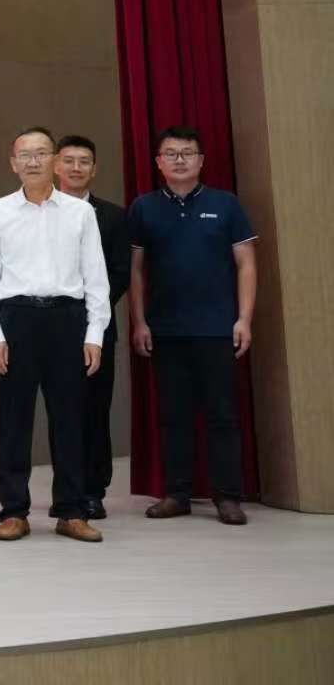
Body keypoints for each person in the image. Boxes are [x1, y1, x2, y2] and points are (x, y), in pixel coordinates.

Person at [0, 126, 108, 543]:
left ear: (55, 160)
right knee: (14, 421)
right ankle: (14, 511)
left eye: (41, 153)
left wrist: (95, 334)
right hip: (16, 320)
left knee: (69, 419)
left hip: (67, 320)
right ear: (13, 163)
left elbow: (96, 277)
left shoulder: (80, 213)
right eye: (25, 155)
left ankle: (71, 511)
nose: (33, 161)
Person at [129, 125, 258, 527]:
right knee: (173, 415)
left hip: (218, 328)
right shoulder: (144, 207)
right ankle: (177, 494)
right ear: (158, 162)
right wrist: (139, 321)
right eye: (171, 153)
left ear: (201, 160)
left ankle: (228, 496)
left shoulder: (226, 204)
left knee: (223, 414)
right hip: (165, 329)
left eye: (187, 153)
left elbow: (246, 264)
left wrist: (244, 318)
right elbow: (135, 270)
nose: (179, 160)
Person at [54, 134, 130, 520]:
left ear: (94, 169)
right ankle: (65, 490)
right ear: (56, 165)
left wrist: (89, 310)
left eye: (84, 161)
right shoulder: (42, 211)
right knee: (60, 412)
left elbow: (120, 273)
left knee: (94, 411)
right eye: (68, 160)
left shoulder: (113, 216)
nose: (76, 168)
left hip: (96, 327)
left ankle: (92, 491)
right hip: (51, 328)